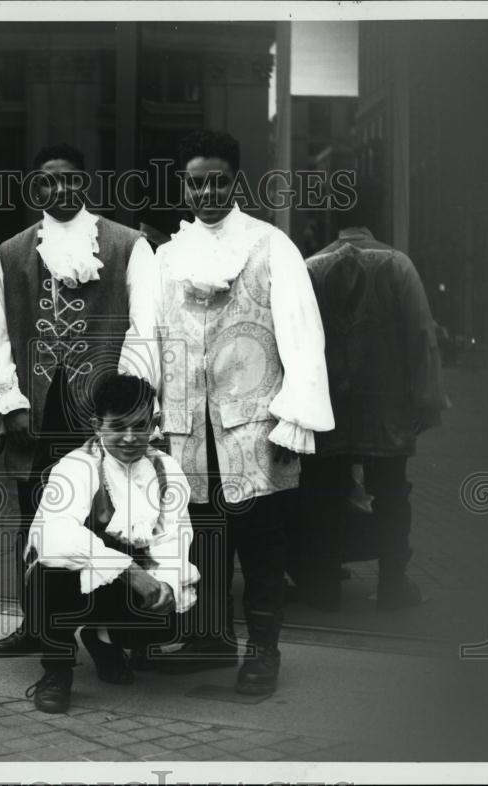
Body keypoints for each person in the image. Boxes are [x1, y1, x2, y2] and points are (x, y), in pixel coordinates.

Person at [152, 130, 334, 695]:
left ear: (236, 182)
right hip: (186, 427)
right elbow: (149, 336)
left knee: (260, 545)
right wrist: (150, 411)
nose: (207, 193)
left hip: (254, 426)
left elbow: (303, 334)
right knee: (200, 539)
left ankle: (263, 652)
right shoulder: (167, 256)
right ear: (184, 186)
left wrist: (296, 417)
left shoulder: (271, 245)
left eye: (218, 181)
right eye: (196, 183)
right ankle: (208, 638)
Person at [0, 143, 160, 656]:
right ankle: (37, 626)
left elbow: (145, 329)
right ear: (34, 186)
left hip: (103, 414)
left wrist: (127, 407)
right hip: (37, 413)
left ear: (86, 183)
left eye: (70, 179)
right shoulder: (10, 253)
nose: (59, 189)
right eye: (47, 180)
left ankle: (108, 637)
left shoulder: (129, 245)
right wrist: (9, 398)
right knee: (35, 519)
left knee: (110, 520)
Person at [301, 198, 449, 611]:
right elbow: (421, 334)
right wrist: (428, 397)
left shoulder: (311, 267)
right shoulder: (398, 264)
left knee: (325, 494)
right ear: (377, 217)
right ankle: (392, 585)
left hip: (329, 404)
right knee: (392, 492)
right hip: (387, 406)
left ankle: (323, 586)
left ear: (333, 219)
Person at [23, 374, 199, 713]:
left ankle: (103, 638)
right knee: (53, 571)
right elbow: (55, 537)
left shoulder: (166, 469)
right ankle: (56, 669)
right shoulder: (77, 465)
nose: (130, 438)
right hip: (68, 581)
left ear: (153, 424)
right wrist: (130, 571)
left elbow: (174, 538)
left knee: (173, 612)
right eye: (118, 426)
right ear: (97, 425)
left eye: (140, 426)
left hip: (121, 583)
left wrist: (165, 585)